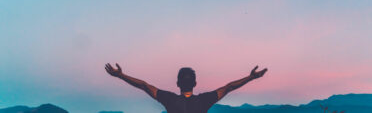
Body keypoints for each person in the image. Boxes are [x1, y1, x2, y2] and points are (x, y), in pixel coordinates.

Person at [105, 63, 267, 113]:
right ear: (195, 84)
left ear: (177, 84)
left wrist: (121, 75)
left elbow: (144, 86)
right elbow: (229, 87)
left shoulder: (170, 99)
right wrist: (252, 77)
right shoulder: (204, 100)